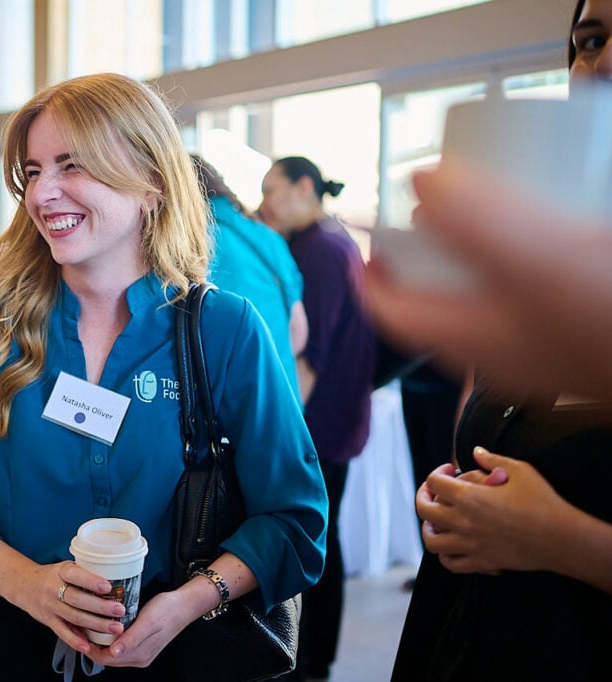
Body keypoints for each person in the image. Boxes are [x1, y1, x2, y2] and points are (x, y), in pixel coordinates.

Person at [0, 72, 327, 681]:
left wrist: (189, 601)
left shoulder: (224, 329)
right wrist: (33, 587)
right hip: (9, 647)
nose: (43, 194)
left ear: (151, 182)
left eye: (72, 166)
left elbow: (295, 518)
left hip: (179, 649)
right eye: (33, 171)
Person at [387, 1, 612, 678]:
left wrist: (560, 540)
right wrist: (461, 494)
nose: (608, 62)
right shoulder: (555, 260)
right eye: (590, 39)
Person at [257, 156, 376, 682]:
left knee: (316, 546)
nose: (265, 202)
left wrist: (284, 430)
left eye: (272, 189)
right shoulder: (323, 242)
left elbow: (311, 356)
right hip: (331, 423)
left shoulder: (323, 250)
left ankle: (314, 661)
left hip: (321, 427)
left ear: (305, 188)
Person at [191, 155, 306, 401]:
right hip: (283, 400)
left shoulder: (191, 242)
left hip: (229, 407)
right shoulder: (269, 237)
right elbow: (298, 332)